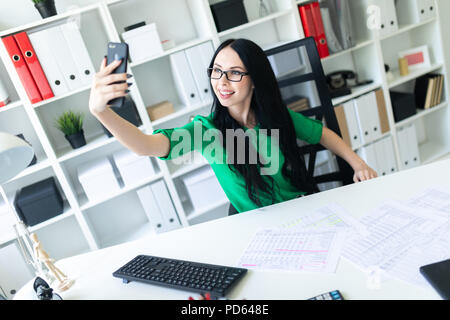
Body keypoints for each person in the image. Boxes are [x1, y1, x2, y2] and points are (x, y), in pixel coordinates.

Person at [89, 38, 377, 215]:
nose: (221, 83)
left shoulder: (277, 116)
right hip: (261, 229)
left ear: (255, 79)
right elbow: (146, 146)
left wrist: (358, 163)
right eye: (216, 71)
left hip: (303, 210)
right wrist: (100, 111)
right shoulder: (206, 131)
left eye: (234, 73)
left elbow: (323, 134)